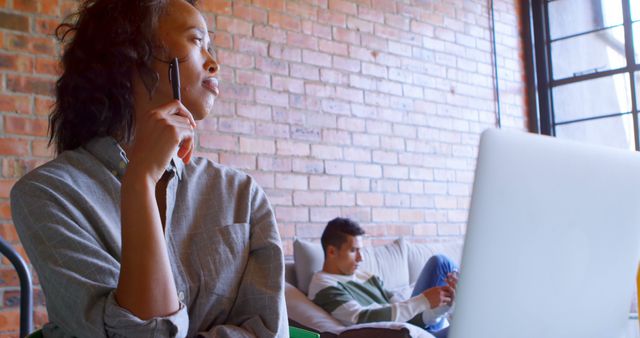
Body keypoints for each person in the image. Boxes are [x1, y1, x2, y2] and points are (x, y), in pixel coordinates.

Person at [10, 0, 288, 337]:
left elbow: (269, 330)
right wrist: (140, 181)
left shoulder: (240, 193)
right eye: (197, 41)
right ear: (128, 54)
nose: (214, 64)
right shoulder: (48, 194)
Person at [308, 218, 458, 338]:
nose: (360, 258)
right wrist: (423, 300)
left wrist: (440, 306)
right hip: (397, 334)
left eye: (361, 250)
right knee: (441, 264)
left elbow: (401, 310)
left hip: (411, 328)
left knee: (441, 264)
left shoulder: (364, 276)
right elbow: (362, 318)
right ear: (332, 252)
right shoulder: (324, 285)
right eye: (353, 251)